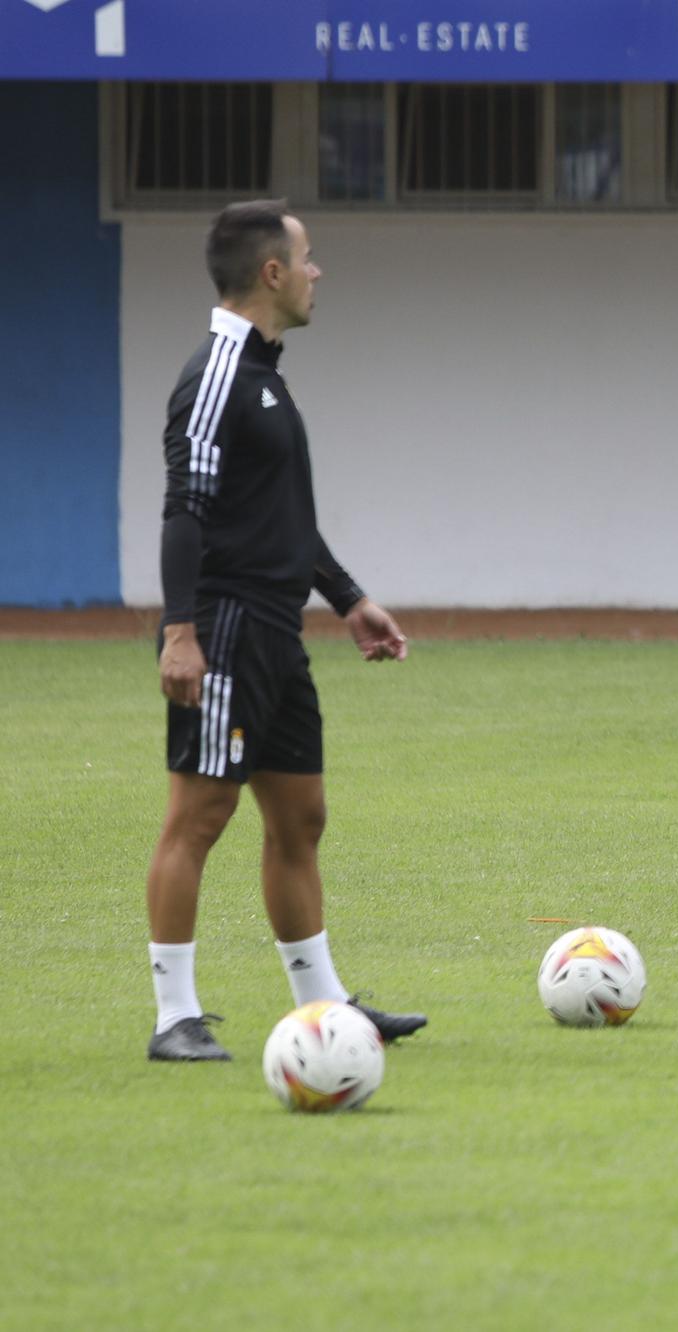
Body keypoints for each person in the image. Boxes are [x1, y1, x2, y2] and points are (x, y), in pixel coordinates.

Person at [145, 199, 426, 1060]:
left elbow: (281, 517)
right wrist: (180, 632)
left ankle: (325, 1006)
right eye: (307, 258)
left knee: (301, 819)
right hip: (223, 628)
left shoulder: (267, 372)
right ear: (271, 273)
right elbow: (185, 510)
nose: (316, 271)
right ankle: (175, 1018)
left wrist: (347, 599)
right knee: (200, 815)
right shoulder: (216, 373)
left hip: (278, 632)